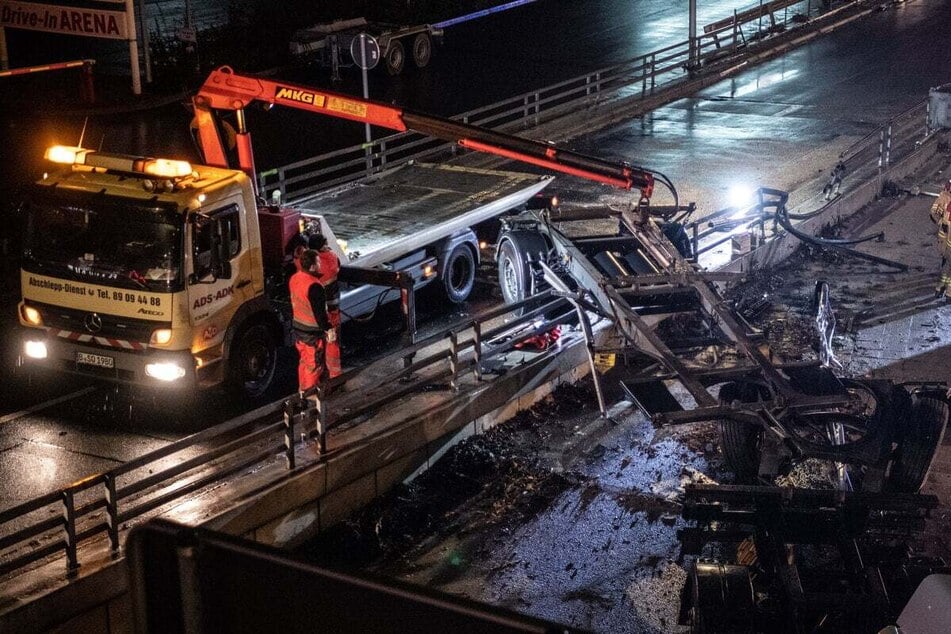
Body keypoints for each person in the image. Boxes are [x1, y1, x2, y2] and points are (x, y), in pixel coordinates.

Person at [289, 249, 333, 393]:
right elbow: (320, 314)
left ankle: (302, 392)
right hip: (312, 333)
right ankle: (310, 395)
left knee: (304, 362)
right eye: (318, 261)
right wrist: (328, 328)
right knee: (314, 365)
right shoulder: (314, 286)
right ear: (313, 266)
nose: (321, 264)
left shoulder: (295, 278)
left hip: (298, 328)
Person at [308, 232, 342, 378]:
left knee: (318, 344)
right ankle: (335, 374)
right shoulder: (332, 258)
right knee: (332, 341)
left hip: (317, 311)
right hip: (332, 310)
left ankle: (320, 374)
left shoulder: (312, 264)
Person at [931, 181, 951, 298]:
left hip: (947, 242)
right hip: (945, 241)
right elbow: (934, 213)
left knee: (946, 265)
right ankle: (943, 289)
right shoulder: (945, 198)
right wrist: (941, 223)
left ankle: (942, 289)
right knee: (946, 264)